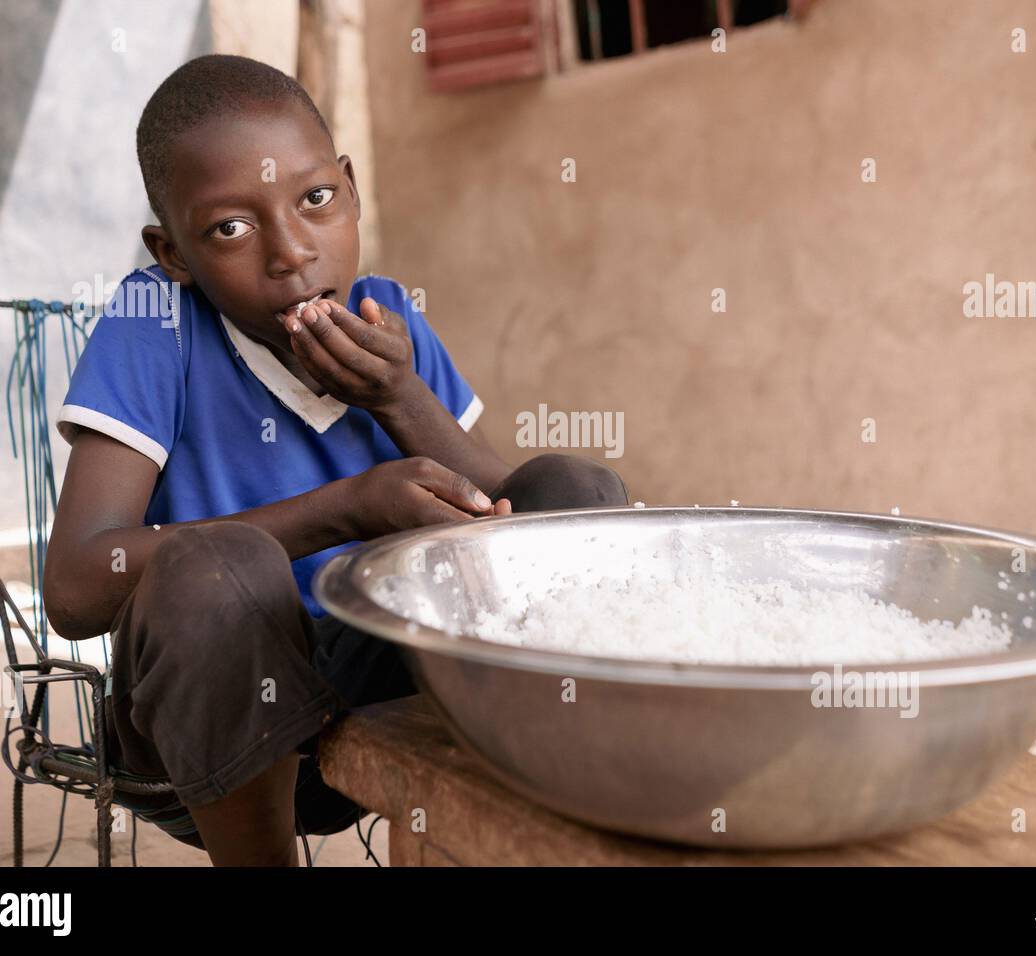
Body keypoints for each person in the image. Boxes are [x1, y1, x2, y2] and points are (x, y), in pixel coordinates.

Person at [42, 54, 628, 866]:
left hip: (380, 687)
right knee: (222, 567)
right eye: (230, 229)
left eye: (316, 199)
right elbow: (74, 588)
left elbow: (513, 517)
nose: (291, 252)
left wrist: (396, 394)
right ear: (171, 253)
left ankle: (581, 811)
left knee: (576, 486)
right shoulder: (155, 325)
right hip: (207, 726)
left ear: (349, 187)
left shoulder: (386, 321)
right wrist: (346, 509)